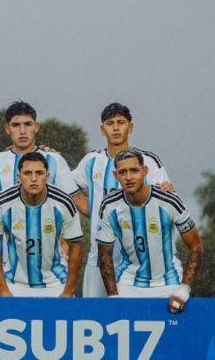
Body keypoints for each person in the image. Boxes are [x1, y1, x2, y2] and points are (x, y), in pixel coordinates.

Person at [72, 102, 174, 298]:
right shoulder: (91, 161)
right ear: (103, 130)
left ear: (131, 127)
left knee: (131, 319)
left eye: (121, 122)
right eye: (110, 123)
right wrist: (92, 210)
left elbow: (165, 202)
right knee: (94, 315)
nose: (116, 128)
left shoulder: (148, 161)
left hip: (138, 261)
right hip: (99, 257)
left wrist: (166, 191)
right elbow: (66, 186)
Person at [97, 150, 203, 313]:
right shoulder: (109, 205)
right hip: (127, 283)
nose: (129, 177)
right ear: (115, 175)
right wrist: (113, 296)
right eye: (122, 172)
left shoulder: (169, 200)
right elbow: (105, 254)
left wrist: (184, 290)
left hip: (168, 283)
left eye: (134, 170)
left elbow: (196, 245)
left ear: (145, 171)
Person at [0, 153, 83, 297]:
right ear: (18, 177)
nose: (33, 179)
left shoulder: (64, 203)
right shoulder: (2, 203)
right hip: (15, 283)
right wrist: (2, 288)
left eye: (39, 173)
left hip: (55, 282)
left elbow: (76, 246)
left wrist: (69, 290)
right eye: (27, 173)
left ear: (48, 176)